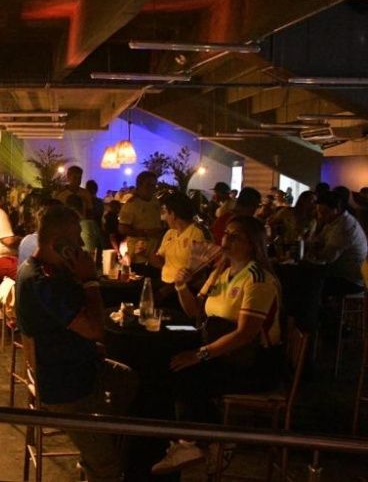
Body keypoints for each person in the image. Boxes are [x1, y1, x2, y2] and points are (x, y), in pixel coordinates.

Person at [152, 216, 282, 474]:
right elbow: (195, 313)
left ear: (252, 244)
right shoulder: (221, 272)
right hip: (224, 353)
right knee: (169, 363)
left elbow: (245, 334)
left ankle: (193, 442)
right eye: (226, 234)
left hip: (254, 363)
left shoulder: (258, 280)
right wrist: (181, 286)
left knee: (185, 373)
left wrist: (200, 354)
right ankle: (213, 440)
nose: (226, 240)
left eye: (235, 236)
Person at [16, 205, 137, 481]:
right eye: (76, 239)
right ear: (59, 245)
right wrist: (90, 281)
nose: (82, 244)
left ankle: (98, 442)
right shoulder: (42, 282)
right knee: (109, 467)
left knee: (128, 379)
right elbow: (95, 329)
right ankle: (99, 457)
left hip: (78, 366)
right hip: (65, 385)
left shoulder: (45, 270)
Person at [305, 191, 368, 296]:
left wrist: (314, 249)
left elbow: (328, 257)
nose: (320, 216)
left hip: (350, 280)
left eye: (324, 212)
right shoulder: (333, 221)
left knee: (310, 284)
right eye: (319, 212)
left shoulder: (344, 226)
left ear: (337, 209)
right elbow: (317, 241)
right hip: (338, 272)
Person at [148, 192, 212, 287]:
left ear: (173, 214)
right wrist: (146, 253)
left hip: (186, 288)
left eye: (166, 212)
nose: (164, 218)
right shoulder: (170, 233)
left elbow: (204, 270)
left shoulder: (198, 234)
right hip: (165, 283)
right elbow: (161, 261)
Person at [118, 171, 162, 276]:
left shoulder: (155, 201)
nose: (152, 188)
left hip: (155, 255)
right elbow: (122, 228)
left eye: (154, 185)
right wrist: (146, 232)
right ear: (139, 186)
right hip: (139, 257)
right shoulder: (131, 205)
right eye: (148, 185)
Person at [66, 194, 103, 267]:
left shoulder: (65, 225)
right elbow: (100, 245)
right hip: (88, 263)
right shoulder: (89, 224)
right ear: (83, 207)